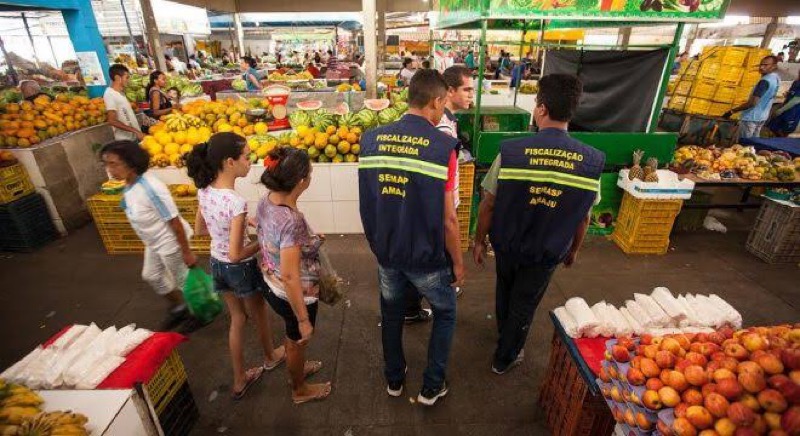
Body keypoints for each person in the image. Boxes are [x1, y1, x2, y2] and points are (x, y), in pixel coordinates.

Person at [474, 74, 604, 375]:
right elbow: (583, 216)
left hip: (507, 243)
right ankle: (506, 356)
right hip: (547, 251)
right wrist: (574, 250)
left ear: (542, 109)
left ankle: (504, 342)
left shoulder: (512, 151)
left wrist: (479, 240)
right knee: (525, 302)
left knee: (505, 290)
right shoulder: (591, 161)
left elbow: (489, 202)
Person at [358, 69, 464, 406]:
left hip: (388, 250)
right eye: (443, 104)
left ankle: (394, 378)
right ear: (436, 101)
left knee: (391, 313)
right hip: (426, 255)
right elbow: (448, 219)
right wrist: (458, 263)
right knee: (445, 312)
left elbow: (371, 199)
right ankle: (432, 385)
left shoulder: (371, 139)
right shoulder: (443, 147)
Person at [185, 133, 286, 400]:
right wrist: (262, 238)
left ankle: (239, 379)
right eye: (247, 157)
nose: (250, 162)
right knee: (259, 312)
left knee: (237, 319)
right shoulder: (235, 202)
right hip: (239, 267)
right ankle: (271, 355)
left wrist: (236, 226)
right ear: (230, 162)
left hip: (216, 264)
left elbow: (199, 230)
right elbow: (236, 253)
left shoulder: (204, 190)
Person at [256, 147, 333, 405]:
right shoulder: (291, 221)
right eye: (309, 174)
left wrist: (307, 242)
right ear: (301, 181)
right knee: (297, 339)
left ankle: (296, 367)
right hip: (291, 293)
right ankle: (299, 389)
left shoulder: (266, 200)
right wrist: (303, 319)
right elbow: (291, 276)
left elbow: (267, 234)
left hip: (270, 282)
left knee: (292, 340)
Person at [100, 140, 196, 330]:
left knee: (183, 280)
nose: (109, 169)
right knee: (151, 275)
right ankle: (179, 307)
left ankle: (197, 313)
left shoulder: (151, 188)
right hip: (153, 242)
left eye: (114, 164)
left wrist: (186, 252)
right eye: (106, 164)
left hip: (171, 241)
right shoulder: (129, 184)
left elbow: (174, 221)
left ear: (131, 163)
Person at [403, 65, 474, 323]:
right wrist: (458, 263)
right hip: (438, 205)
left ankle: (410, 307)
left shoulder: (445, 122)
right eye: (466, 89)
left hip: (428, 205)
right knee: (436, 259)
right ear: (448, 92)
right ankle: (438, 297)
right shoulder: (440, 128)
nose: (470, 95)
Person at [724, 55, 780, 139]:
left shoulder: (764, 81)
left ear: (774, 66)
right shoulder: (776, 78)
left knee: (745, 143)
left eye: (765, 65)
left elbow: (752, 103)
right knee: (754, 142)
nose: (761, 67)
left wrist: (732, 111)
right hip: (762, 116)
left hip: (751, 117)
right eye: (761, 64)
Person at [104, 64, 143, 141]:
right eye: (127, 77)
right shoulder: (110, 94)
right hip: (125, 140)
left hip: (133, 137)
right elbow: (112, 120)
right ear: (117, 78)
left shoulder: (120, 92)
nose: (128, 80)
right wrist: (135, 131)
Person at [767, 70, 800, 137]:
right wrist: (788, 94)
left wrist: (780, 110)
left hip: (792, 112)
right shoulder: (796, 82)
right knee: (774, 127)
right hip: (786, 108)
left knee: (783, 131)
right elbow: (793, 94)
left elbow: (796, 100)